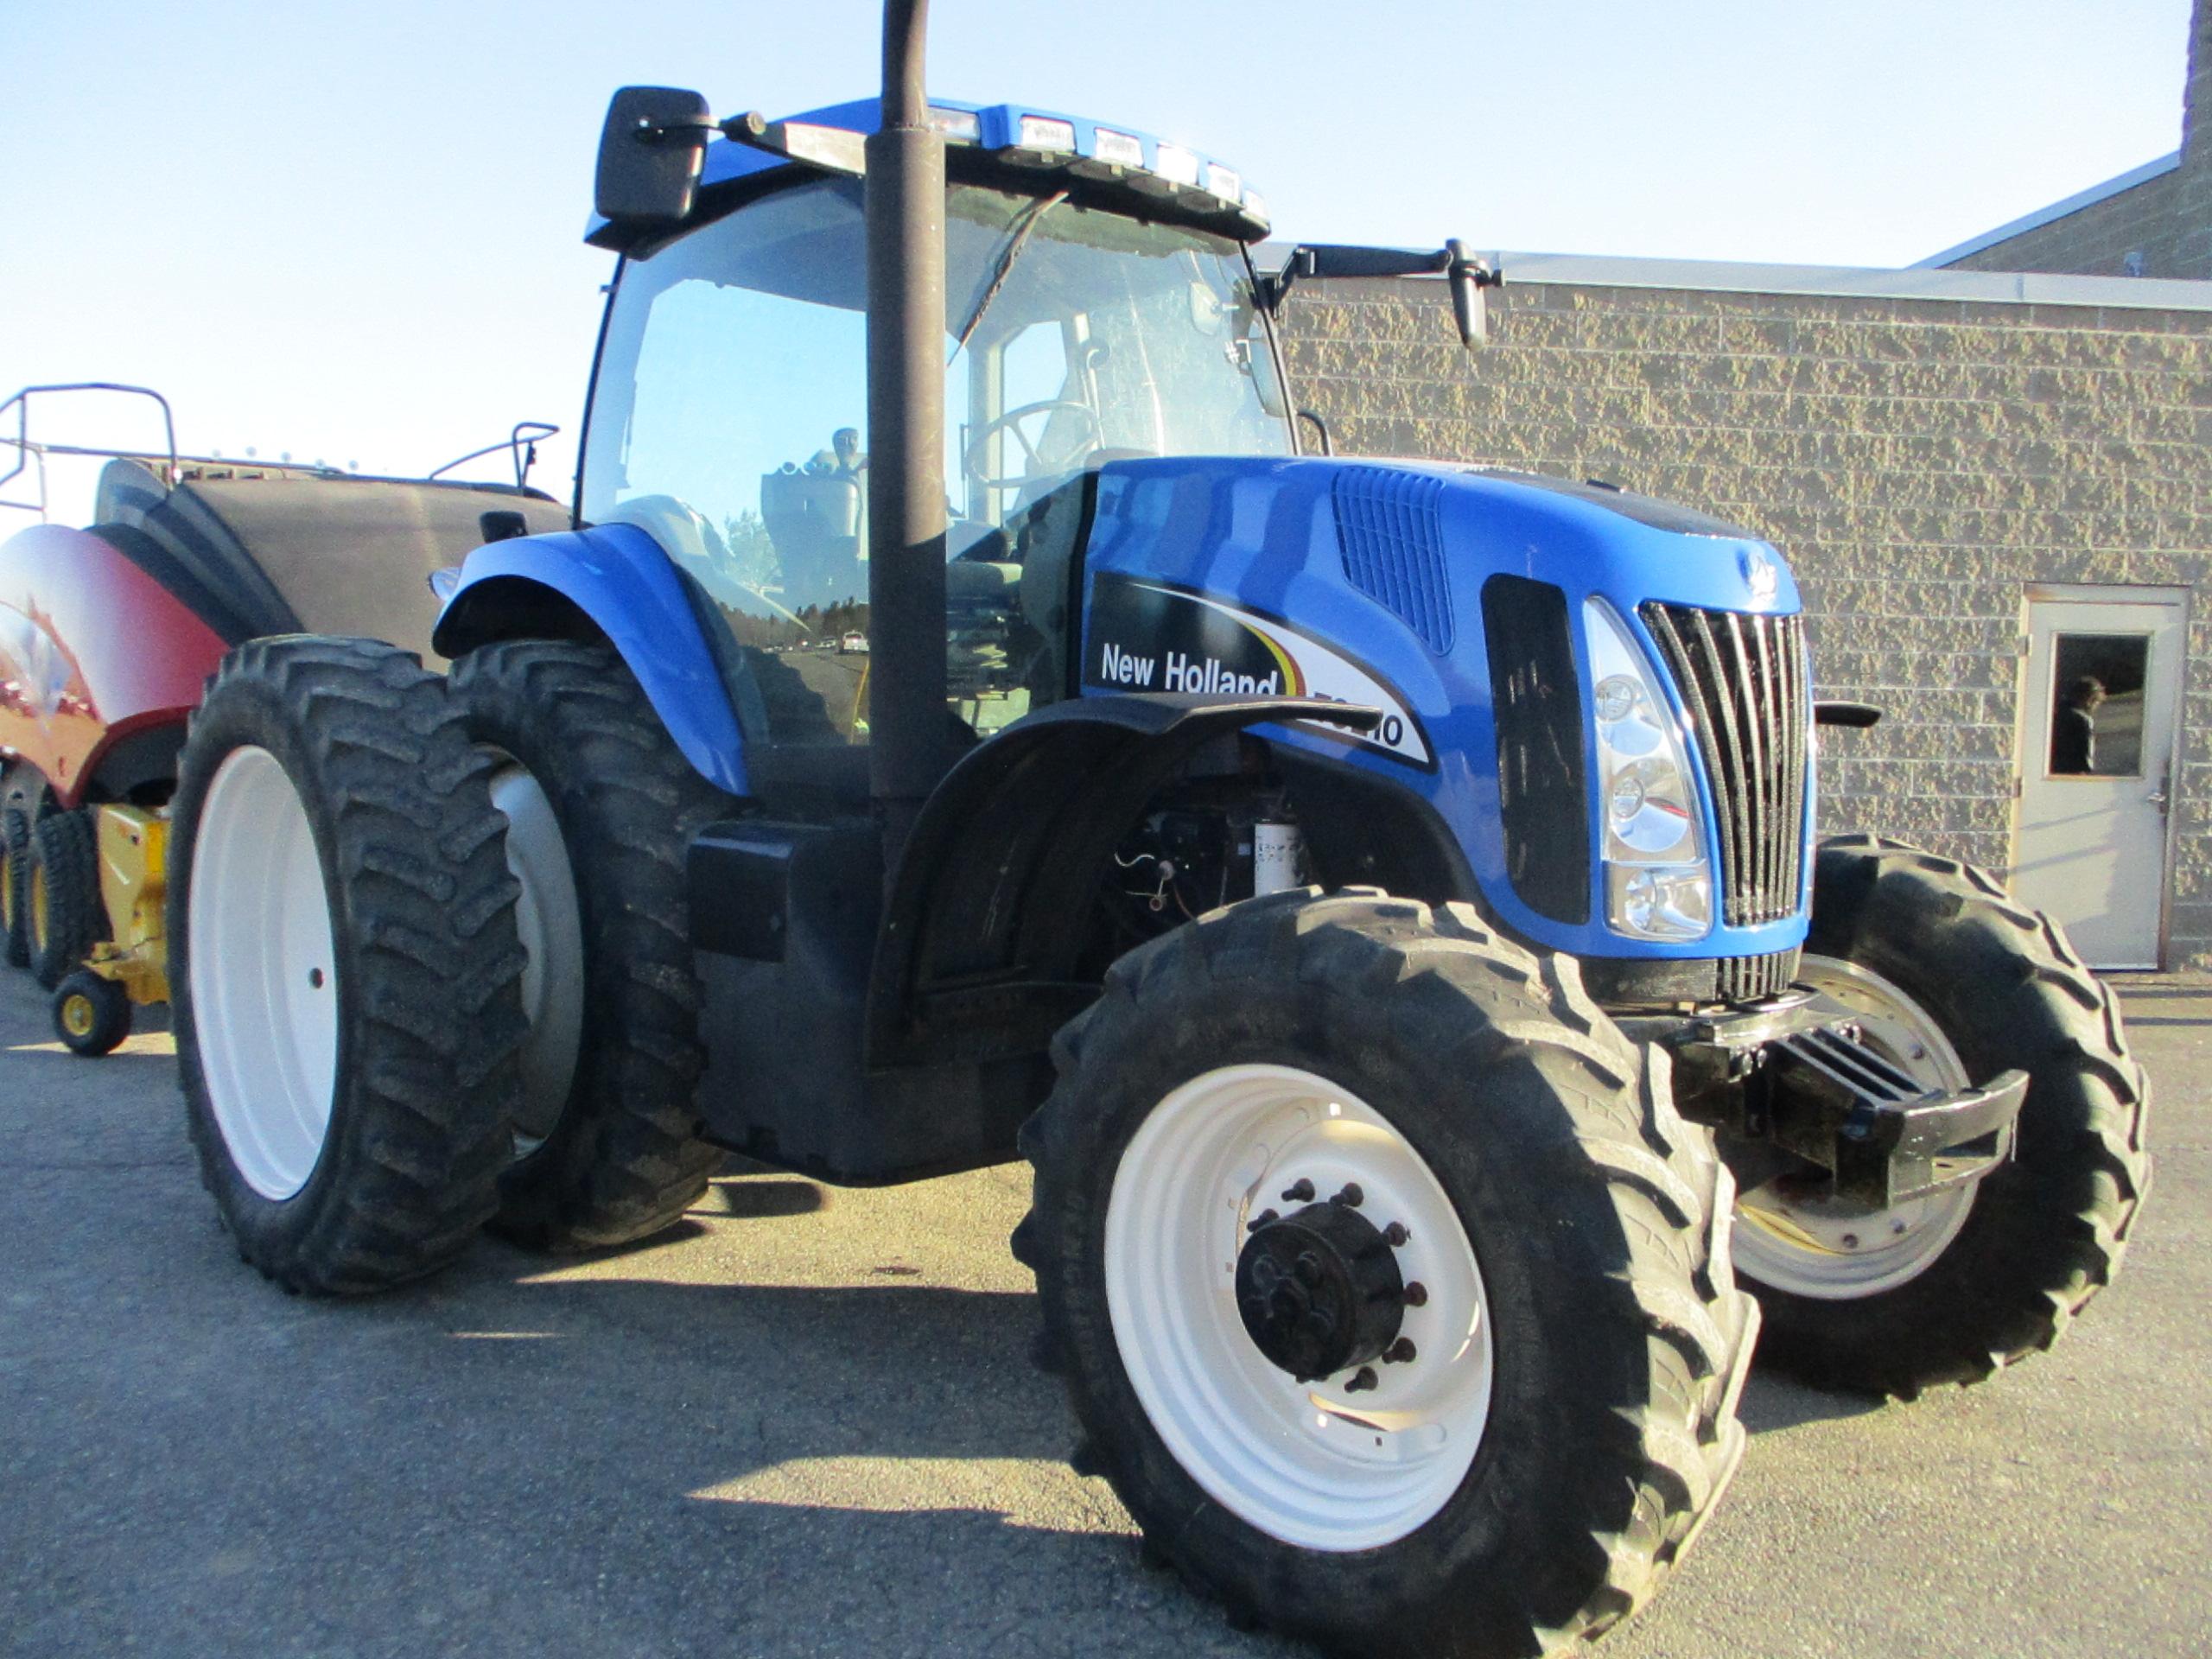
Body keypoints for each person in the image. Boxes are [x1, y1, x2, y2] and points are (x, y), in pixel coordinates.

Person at [2050, 675, 2105, 775]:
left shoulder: (2054, 714)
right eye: (2097, 702)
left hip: (2051, 769)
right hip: (2072, 772)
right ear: (2090, 700)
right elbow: (2085, 754)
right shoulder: (2083, 720)